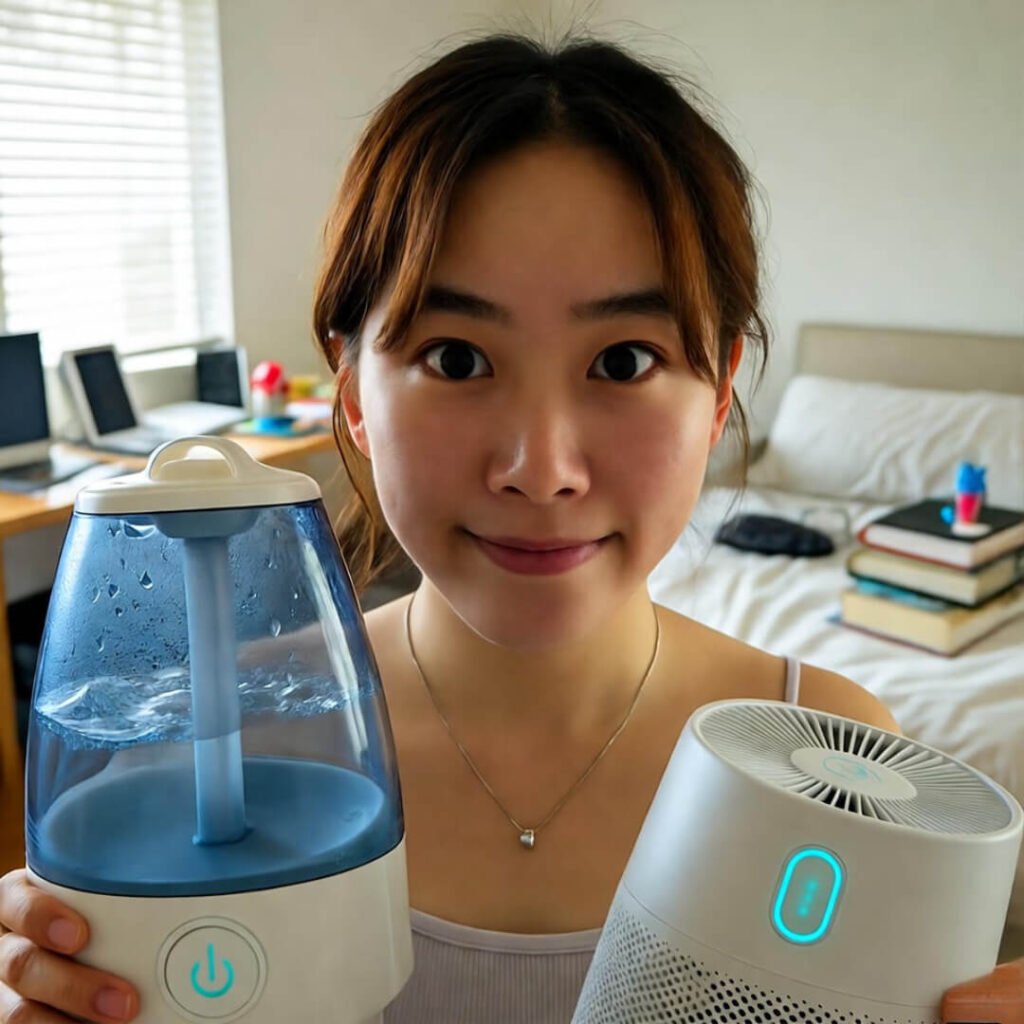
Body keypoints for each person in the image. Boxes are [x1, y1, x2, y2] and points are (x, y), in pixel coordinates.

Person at [1, 30, 1021, 1024]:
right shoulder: (201, 754)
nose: (540, 470)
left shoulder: (837, 763)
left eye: (623, 361)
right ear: (352, 393)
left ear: (717, 398)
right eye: (455, 357)